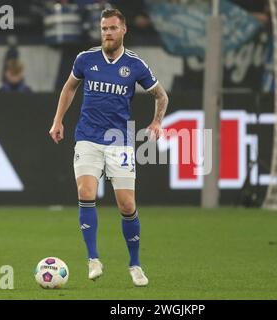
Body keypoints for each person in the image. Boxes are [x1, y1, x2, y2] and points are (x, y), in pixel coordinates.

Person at [48, 8, 168, 286]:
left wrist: (157, 122)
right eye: (103, 28)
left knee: (127, 205)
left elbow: (160, 95)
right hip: (87, 136)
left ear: (123, 30)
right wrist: (58, 121)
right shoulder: (86, 59)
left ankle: (135, 264)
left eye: (112, 28)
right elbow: (69, 88)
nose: (107, 33)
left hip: (120, 141)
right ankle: (93, 259)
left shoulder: (135, 64)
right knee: (85, 190)